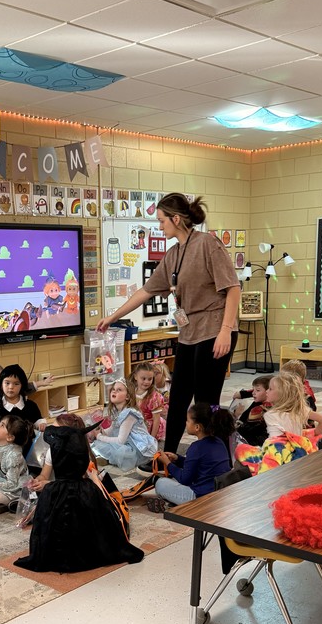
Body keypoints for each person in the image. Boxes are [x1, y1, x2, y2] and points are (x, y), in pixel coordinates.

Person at [96, 193, 239, 455]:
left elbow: (233, 289)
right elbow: (145, 292)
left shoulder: (208, 244)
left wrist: (226, 331)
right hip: (189, 332)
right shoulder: (173, 254)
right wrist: (113, 317)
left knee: (205, 403)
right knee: (179, 397)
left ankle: (213, 457)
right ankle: (168, 455)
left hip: (215, 328)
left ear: (176, 219)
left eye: (162, 221)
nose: (159, 226)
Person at [15, 421, 144, 573]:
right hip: (91, 549)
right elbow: (105, 526)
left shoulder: (51, 492)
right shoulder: (90, 491)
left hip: (55, 550)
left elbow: (41, 531)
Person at [153, 404, 234, 508]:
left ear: (197, 427)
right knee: (174, 479)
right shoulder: (219, 442)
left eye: (188, 420)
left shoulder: (196, 447)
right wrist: (178, 459)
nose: (186, 423)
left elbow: (185, 479)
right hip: (220, 493)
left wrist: (167, 463)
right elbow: (200, 464)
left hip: (201, 498)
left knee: (160, 483)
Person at [92, 378, 157, 471]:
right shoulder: (116, 410)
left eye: (119, 390)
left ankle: (109, 459)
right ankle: (108, 458)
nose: (114, 391)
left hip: (138, 447)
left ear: (127, 397)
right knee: (97, 443)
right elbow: (112, 429)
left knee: (118, 450)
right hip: (127, 440)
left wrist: (99, 436)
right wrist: (101, 431)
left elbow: (120, 441)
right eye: (113, 389)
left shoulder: (129, 414)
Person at [0, 364, 42, 457]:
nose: (11, 387)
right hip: (4, 453)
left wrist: (41, 424)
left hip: (30, 450)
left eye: (16, 384)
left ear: (22, 385)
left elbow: (38, 421)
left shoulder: (30, 405)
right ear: (1, 384)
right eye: (7, 383)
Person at [129, 362, 166, 442]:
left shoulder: (154, 397)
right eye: (143, 378)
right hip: (135, 423)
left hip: (149, 426)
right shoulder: (131, 392)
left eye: (150, 379)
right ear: (136, 377)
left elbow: (156, 419)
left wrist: (151, 438)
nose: (147, 382)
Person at [231, 375, 270, 445]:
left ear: (268, 392)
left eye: (257, 390)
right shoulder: (261, 402)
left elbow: (243, 431)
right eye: (253, 389)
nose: (253, 393)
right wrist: (243, 394)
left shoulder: (259, 410)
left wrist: (236, 415)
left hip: (253, 444)